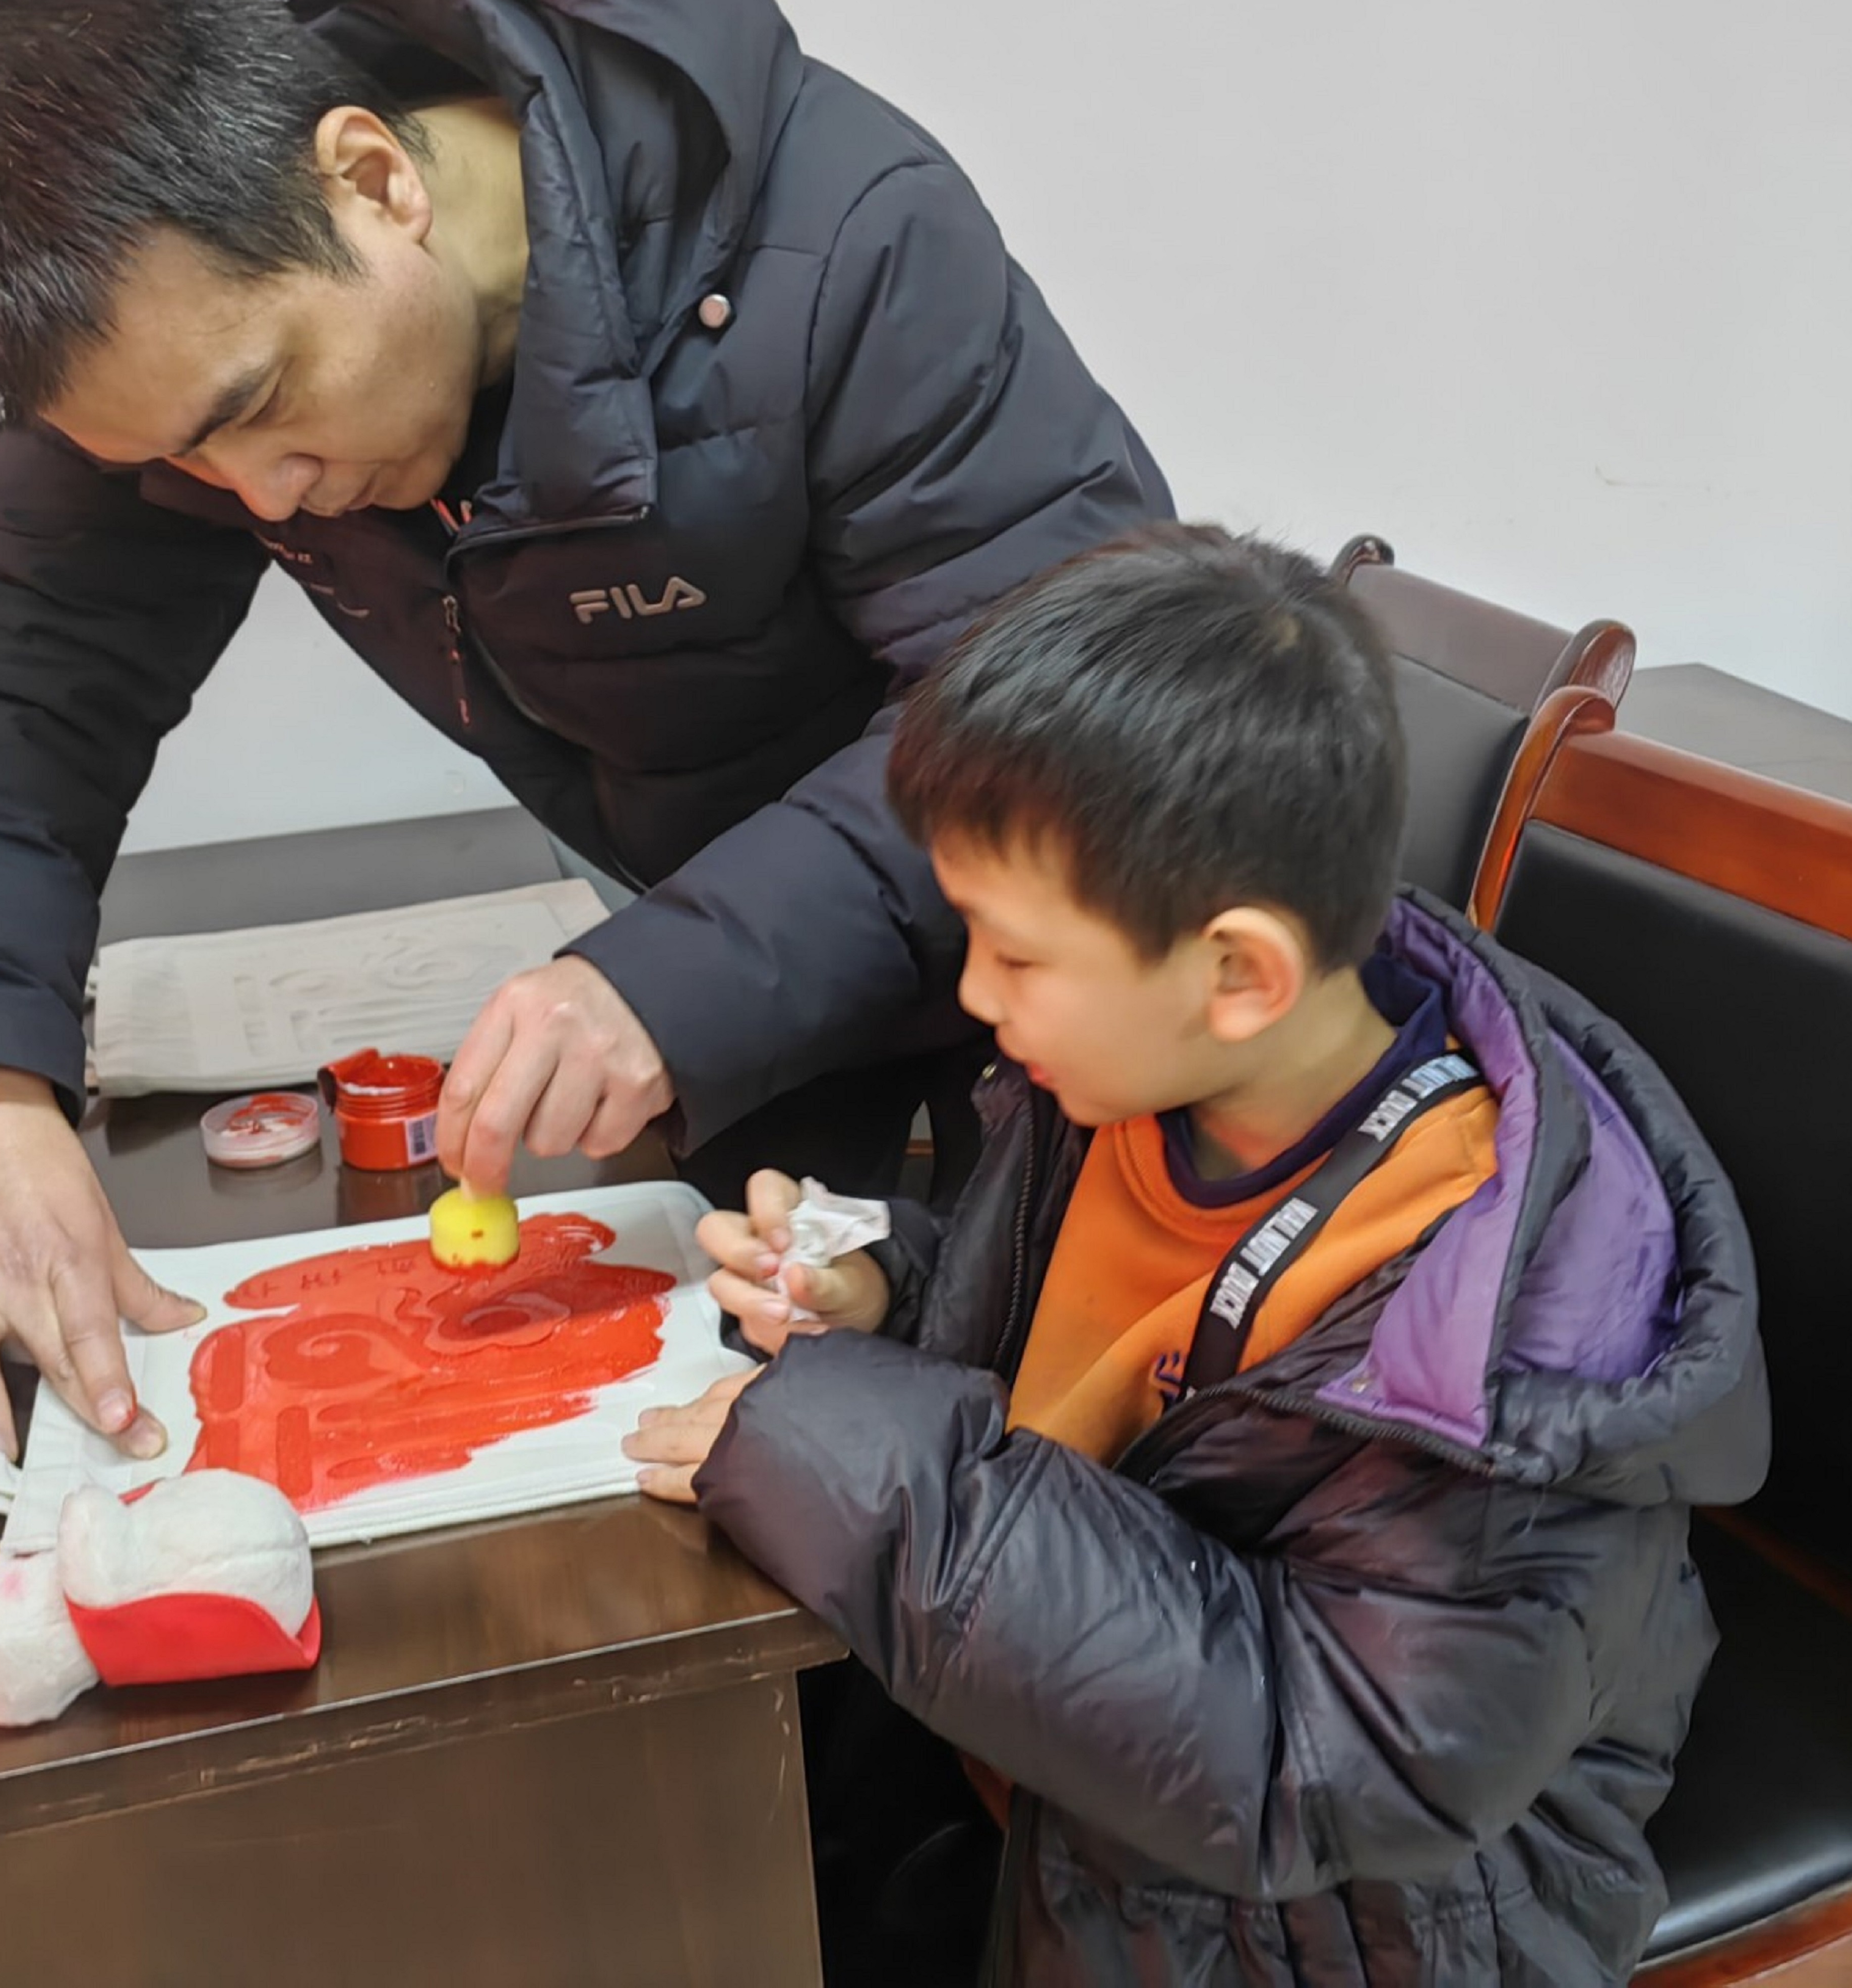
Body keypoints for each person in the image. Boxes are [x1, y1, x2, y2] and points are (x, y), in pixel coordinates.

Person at [0, 0, 1168, 1462]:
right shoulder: (170, 304)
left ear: (373, 180)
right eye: (179, 462)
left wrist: (668, 981)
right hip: (766, 1020)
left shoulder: (846, 241)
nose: (258, 493)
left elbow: (1062, 708)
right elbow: (9, 667)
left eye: (260, 409)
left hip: (1065, 1013)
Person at [626, 526, 1769, 1986]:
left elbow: (1319, 1761)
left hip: (1365, 1920)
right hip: (1061, 1777)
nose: (975, 996)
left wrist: (854, 1451)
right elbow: (1085, 1354)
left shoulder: (1493, 1353)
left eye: (1015, 955)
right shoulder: (1138, 1079)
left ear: (1240, 973)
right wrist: (888, 1295)